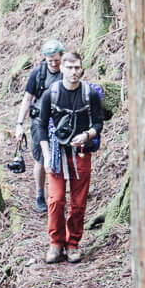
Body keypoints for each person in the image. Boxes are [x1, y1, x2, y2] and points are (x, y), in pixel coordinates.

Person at [33, 50, 104, 264]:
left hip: (81, 153)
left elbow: (98, 124)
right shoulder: (51, 94)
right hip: (56, 153)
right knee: (55, 200)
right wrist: (46, 156)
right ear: (61, 68)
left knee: (78, 201)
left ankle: (73, 243)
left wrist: (85, 135)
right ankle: (56, 243)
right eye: (70, 67)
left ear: (81, 69)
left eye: (77, 68)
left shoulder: (89, 94)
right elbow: (42, 127)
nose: (74, 72)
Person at [12, 39, 63, 214]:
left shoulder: (66, 72)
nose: (54, 64)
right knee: (41, 159)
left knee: (60, 159)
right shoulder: (38, 74)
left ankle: (57, 197)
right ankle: (40, 194)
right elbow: (27, 99)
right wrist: (19, 124)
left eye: (57, 60)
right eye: (51, 61)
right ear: (45, 59)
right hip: (38, 122)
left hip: (60, 122)